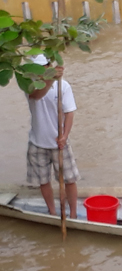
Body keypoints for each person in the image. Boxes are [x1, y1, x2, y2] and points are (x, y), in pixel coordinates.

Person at [26, 54, 80, 218]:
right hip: (37, 143)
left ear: (49, 66)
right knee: (43, 181)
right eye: (38, 68)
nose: (42, 71)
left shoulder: (63, 87)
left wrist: (64, 136)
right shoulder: (29, 85)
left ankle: (73, 214)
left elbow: (69, 113)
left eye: (45, 67)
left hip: (59, 143)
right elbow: (36, 96)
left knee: (69, 180)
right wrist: (50, 80)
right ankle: (52, 212)